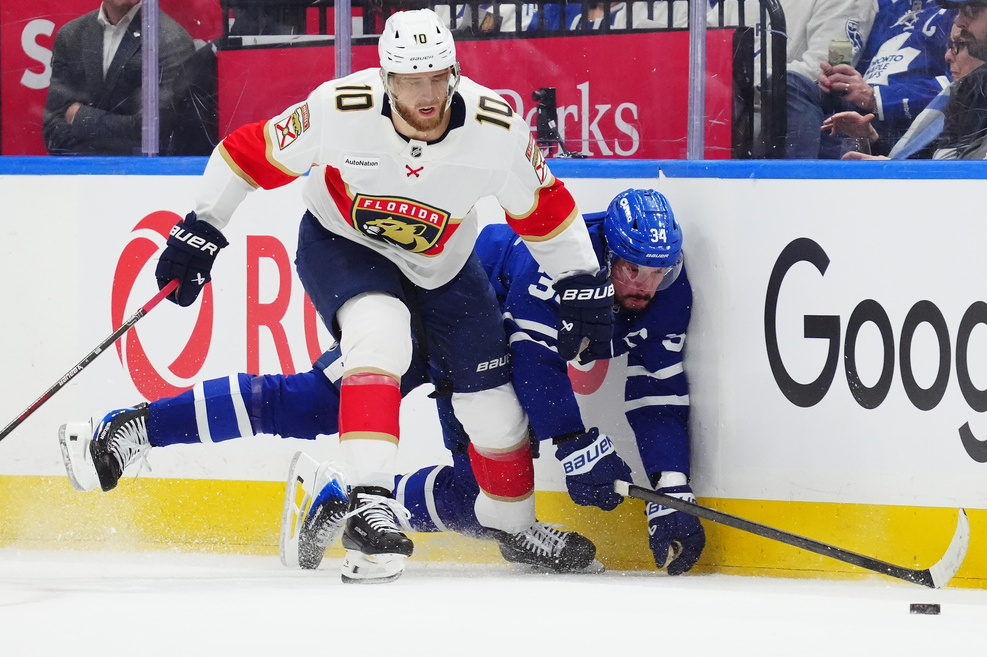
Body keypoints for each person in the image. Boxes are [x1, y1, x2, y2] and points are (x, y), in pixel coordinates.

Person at [61, 9, 612, 584]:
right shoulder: (337, 109)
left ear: (454, 71)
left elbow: (548, 211)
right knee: (378, 332)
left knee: (493, 414)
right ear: (384, 78)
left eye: (437, 78)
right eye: (409, 80)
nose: (426, 96)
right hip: (344, 246)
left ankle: (512, 526)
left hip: (445, 274)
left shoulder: (495, 130)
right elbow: (248, 153)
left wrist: (580, 285)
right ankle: (368, 501)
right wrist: (204, 224)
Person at [59, 188, 702, 576]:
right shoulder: (563, 258)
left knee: (487, 493)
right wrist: (575, 444)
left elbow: (659, 397)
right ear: (606, 251)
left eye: (658, 272)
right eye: (633, 270)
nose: (644, 286)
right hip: (443, 308)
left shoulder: (666, 295)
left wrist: (675, 491)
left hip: (486, 356)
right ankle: (140, 426)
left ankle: (358, 500)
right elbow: (537, 366)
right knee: (313, 404)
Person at [834, 0, 987, 160]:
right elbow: (940, 162)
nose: (959, 22)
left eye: (971, 11)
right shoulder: (971, 86)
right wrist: (875, 145)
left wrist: (899, 173)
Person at [721, 0, 878, 159]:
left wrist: (743, 80)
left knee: (789, 85)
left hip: (794, 109)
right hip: (733, 100)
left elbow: (819, 72)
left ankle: (789, 182)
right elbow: (704, 44)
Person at [806, 0, 961, 159]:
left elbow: (959, 87)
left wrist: (876, 98)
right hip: (854, 124)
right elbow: (860, 71)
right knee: (794, 85)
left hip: (905, 137)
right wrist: (836, 79)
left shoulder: (967, 3)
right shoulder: (889, 1)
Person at [42, 0, 196, 155]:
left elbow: (156, 134)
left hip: (142, 177)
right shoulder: (71, 36)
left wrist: (80, 117)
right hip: (79, 176)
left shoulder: (171, 40)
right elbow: (53, 133)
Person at [822, 23, 985, 159]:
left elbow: (948, 181)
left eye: (959, 45)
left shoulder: (984, 107)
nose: (948, 56)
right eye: (950, 45)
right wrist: (870, 138)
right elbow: (912, 163)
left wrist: (876, 97)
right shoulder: (955, 99)